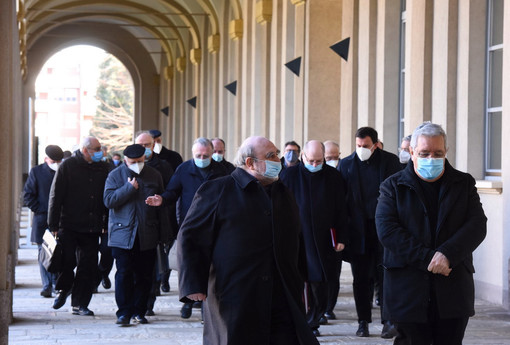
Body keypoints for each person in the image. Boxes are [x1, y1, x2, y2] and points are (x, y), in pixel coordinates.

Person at [176, 136, 320, 345]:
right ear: (250, 163)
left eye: (277, 154)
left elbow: (296, 236)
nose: (278, 160)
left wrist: (303, 277)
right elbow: (190, 236)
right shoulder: (217, 190)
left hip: (282, 292)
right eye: (271, 156)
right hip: (235, 293)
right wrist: (192, 284)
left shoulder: (282, 192)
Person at [375, 122, 487, 345]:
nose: (431, 158)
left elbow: (476, 225)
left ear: (446, 151)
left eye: (437, 153)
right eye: (424, 153)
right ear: (411, 152)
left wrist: (446, 254)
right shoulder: (392, 186)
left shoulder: (463, 183)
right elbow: (387, 230)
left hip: (452, 286)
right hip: (408, 288)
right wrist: (428, 258)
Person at [145, 137, 228, 319]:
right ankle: (188, 303)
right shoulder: (184, 169)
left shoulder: (223, 170)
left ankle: (207, 306)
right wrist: (162, 199)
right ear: (193, 154)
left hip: (216, 225)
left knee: (211, 267)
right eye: (198, 155)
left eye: (205, 155)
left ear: (212, 153)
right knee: (190, 267)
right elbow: (173, 191)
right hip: (190, 225)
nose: (202, 158)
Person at [338, 127, 401, 338]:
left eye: (365, 146)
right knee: (361, 278)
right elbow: (341, 203)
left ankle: (387, 320)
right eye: (358, 146)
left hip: (384, 230)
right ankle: (362, 321)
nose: (361, 149)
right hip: (358, 231)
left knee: (386, 274)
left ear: (375, 144)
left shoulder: (390, 162)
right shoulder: (346, 164)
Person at [280, 140, 347, 337]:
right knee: (299, 281)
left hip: (324, 237)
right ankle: (305, 321)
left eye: (319, 161)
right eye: (311, 161)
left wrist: (342, 236)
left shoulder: (334, 176)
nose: (315, 165)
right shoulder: (289, 175)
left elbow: (342, 209)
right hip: (296, 236)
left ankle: (316, 316)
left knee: (321, 280)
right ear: (303, 158)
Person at [103, 144, 171, 326]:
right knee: (124, 273)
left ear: (145, 159)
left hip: (147, 233)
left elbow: (161, 207)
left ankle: (140, 311)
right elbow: (108, 201)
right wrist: (128, 188)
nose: (137, 165)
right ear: (125, 160)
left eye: (140, 161)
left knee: (144, 275)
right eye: (133, 162)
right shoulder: (115, 175)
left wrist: (165, 235)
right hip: (122, 235)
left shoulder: (154, 175)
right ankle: (124, 312)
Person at [48, 136, 110, 316]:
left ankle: (80, 303)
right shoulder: (67, 166)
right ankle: (63, 289)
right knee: (67, 261)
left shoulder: (104, 168)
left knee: (88, 266)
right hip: (68, 224)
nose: (100, 152)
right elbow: (55, 195)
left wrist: (105, 222)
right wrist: (53, 224)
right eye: (96, 149)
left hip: (92, 227)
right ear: (85, 150)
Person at [135, 131, 175, 309]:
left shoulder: (163, 166)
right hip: (134, 225)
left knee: (153, 265)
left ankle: (149, 301)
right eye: (140, 145)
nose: (144, 149)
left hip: (156, 222)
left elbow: (171, 193)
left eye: (147, 145)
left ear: (154, 145)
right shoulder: (124, 167)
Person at [23, 144, 64, 298]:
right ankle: (47, 285)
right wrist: (40, 210)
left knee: (59, 252)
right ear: (46, 159)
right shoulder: (37, 172)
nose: (56, 163)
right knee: (44, 252)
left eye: (59, 160)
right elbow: (28, 195)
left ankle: (56, 283)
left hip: (62, 220)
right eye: (54, 160)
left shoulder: (64, 171)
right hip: (43, 219)